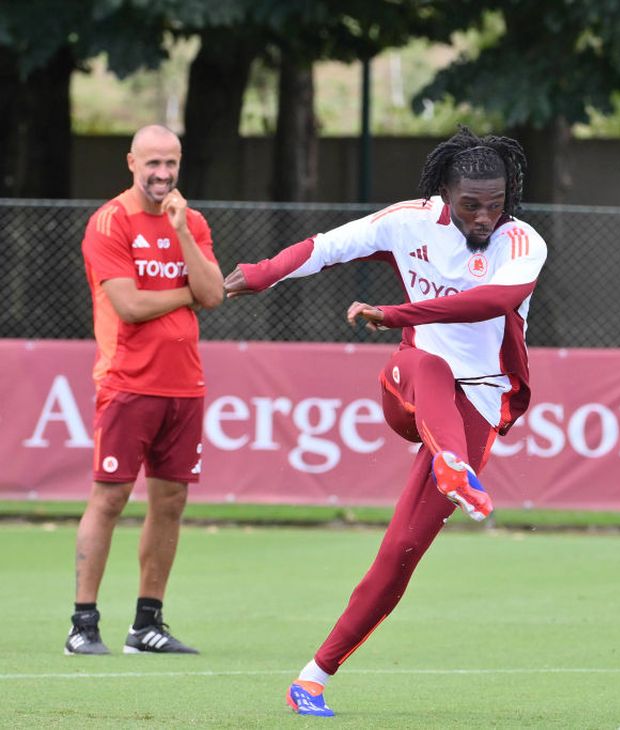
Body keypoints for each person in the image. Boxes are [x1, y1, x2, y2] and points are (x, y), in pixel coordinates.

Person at [224, 126, 546, 716]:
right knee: (430, 364)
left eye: (496, 204)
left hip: (476, 404)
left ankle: (312, 679)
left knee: (401, 551)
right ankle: (452, 464)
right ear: (444, 195)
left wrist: (397, 311)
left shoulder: (522, 241)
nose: (484, 217)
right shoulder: (408, 222)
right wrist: (262, 273)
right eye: (470, 205)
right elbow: (327, 247)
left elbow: (495, 302)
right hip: (410, 386)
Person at [68, 124, 224, 655]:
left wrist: (181, 234)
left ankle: (146, 624)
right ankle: (83, 624)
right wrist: (186, 294)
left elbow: (214, 294)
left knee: (171, 501)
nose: (162, 173)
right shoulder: (110, 221)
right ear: (131, 162)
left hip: (185, 383)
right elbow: (130, 306)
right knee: (110, 497)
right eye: (152, 163)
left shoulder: (192, 221)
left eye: (170, 163)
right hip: (127, 383)